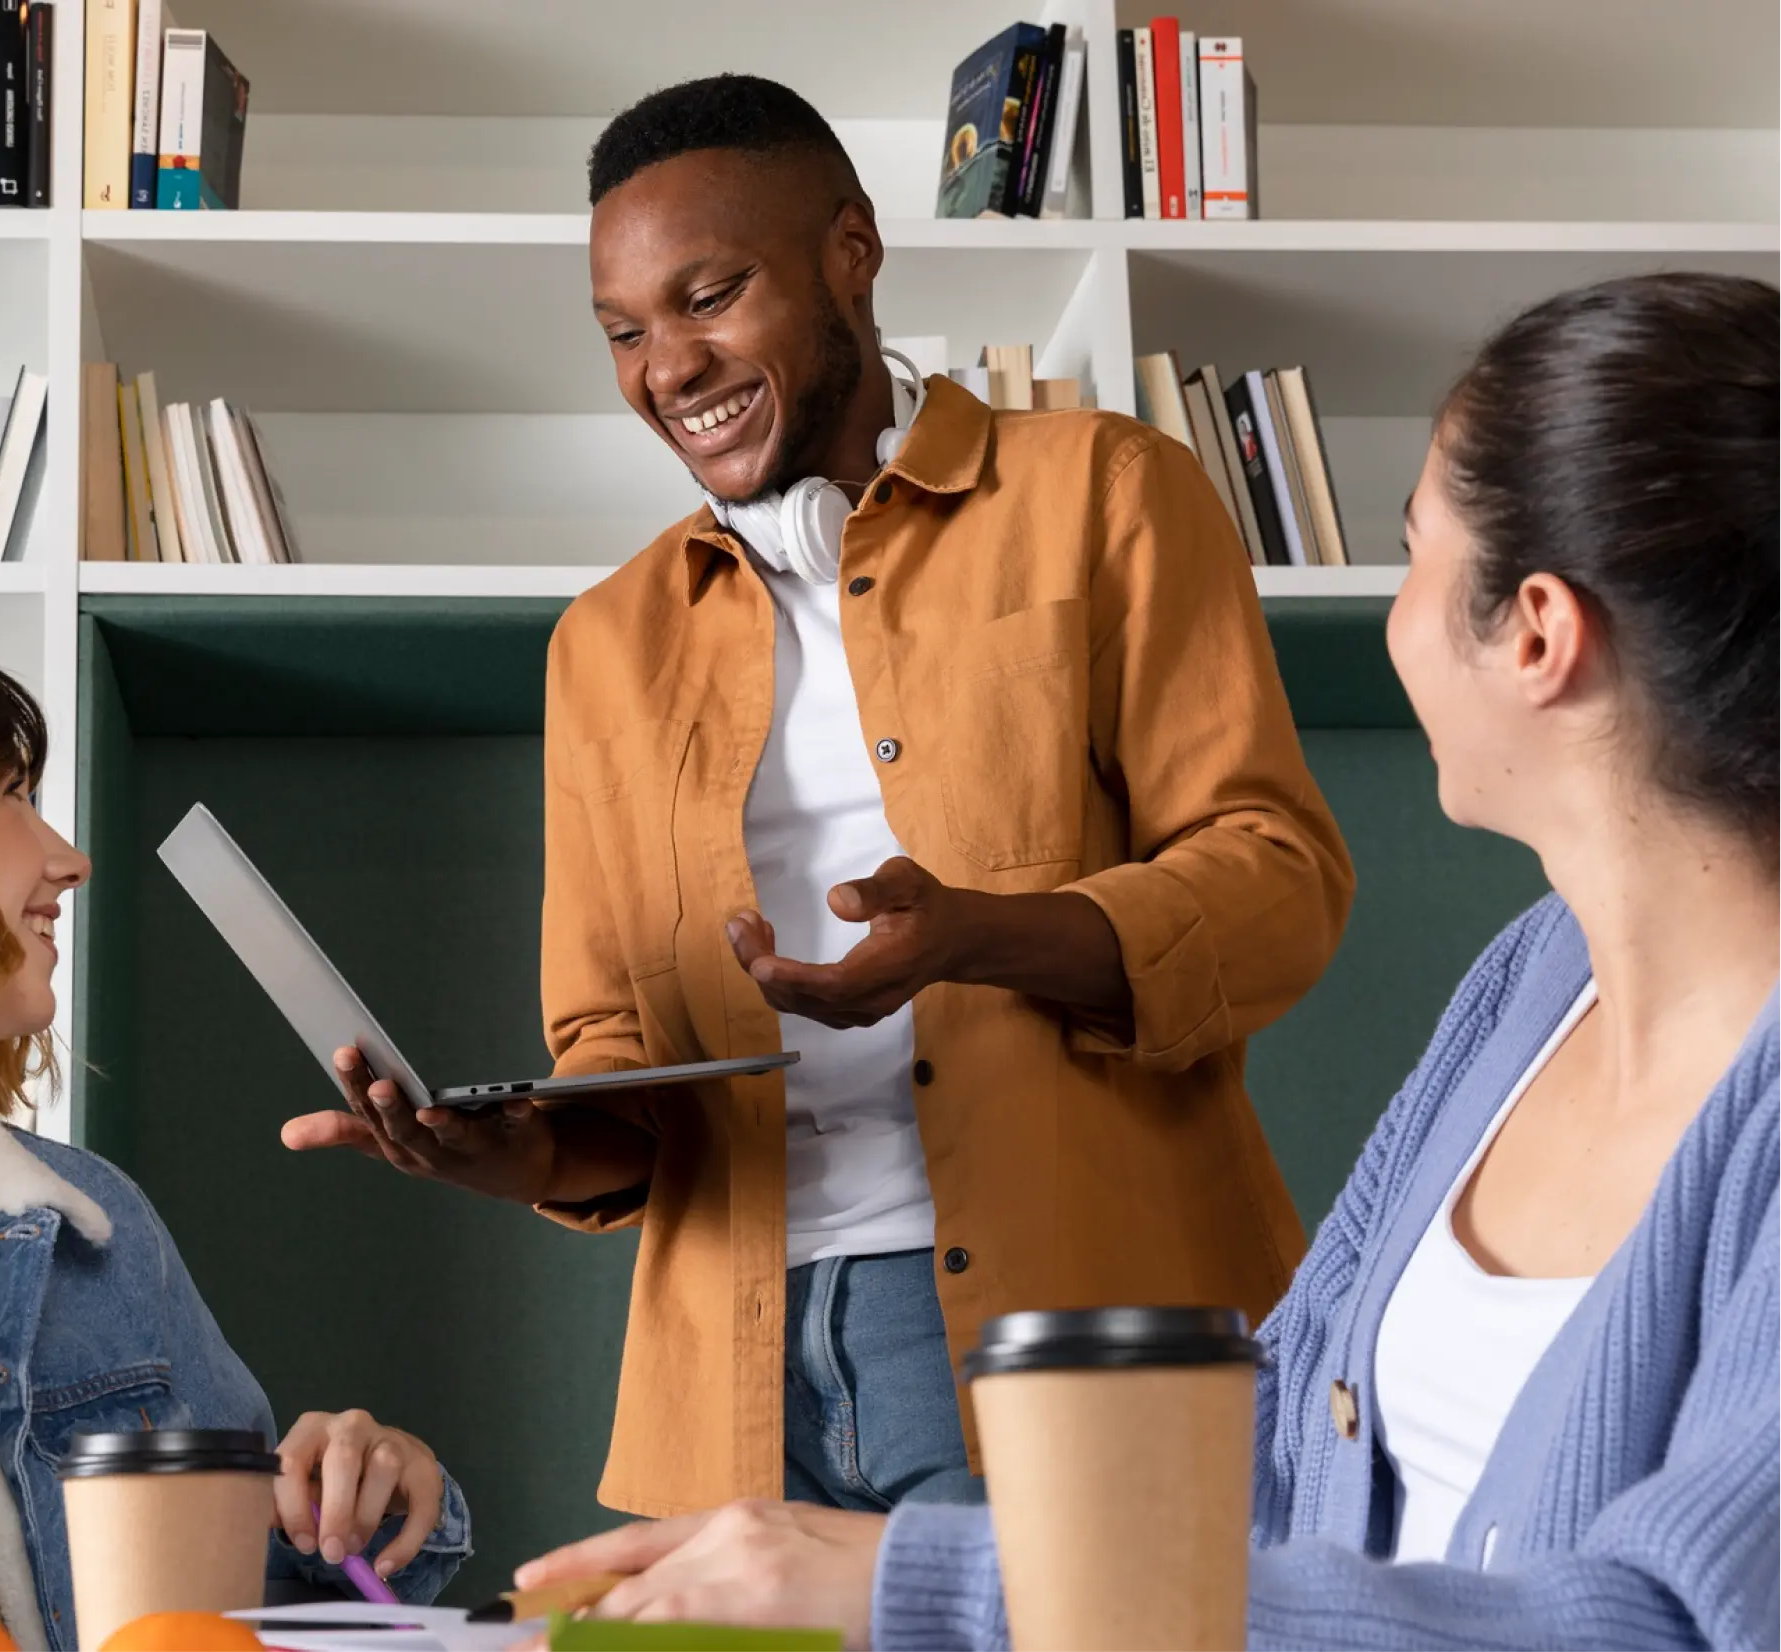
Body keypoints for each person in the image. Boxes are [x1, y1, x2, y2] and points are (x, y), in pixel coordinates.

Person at [505, 269, 1781, 1651]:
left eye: (1415, 557)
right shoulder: (1528, 988)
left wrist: (908, 1584)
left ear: (1535, 631)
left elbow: (1667, 1623)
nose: (1392, 618)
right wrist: (857, 1558)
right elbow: (1284, 1431)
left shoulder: (1106, 491)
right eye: (623, 330)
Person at [283, 74, 1352, 1516]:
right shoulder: (604, 645)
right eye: (623, 332)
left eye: (709, 295)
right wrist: (507, 1147)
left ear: (851, 250)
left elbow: (1274, 879)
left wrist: (976, 937)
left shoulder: (1105, 491)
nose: (668, 366)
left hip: (1066, 1345)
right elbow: (610, 1048)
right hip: (726, 1381)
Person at [0, 625, 472, 1652]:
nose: (70, 859)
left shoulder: (92, 1232)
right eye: (9, 793)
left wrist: (362, 1497)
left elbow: (219, 1613)